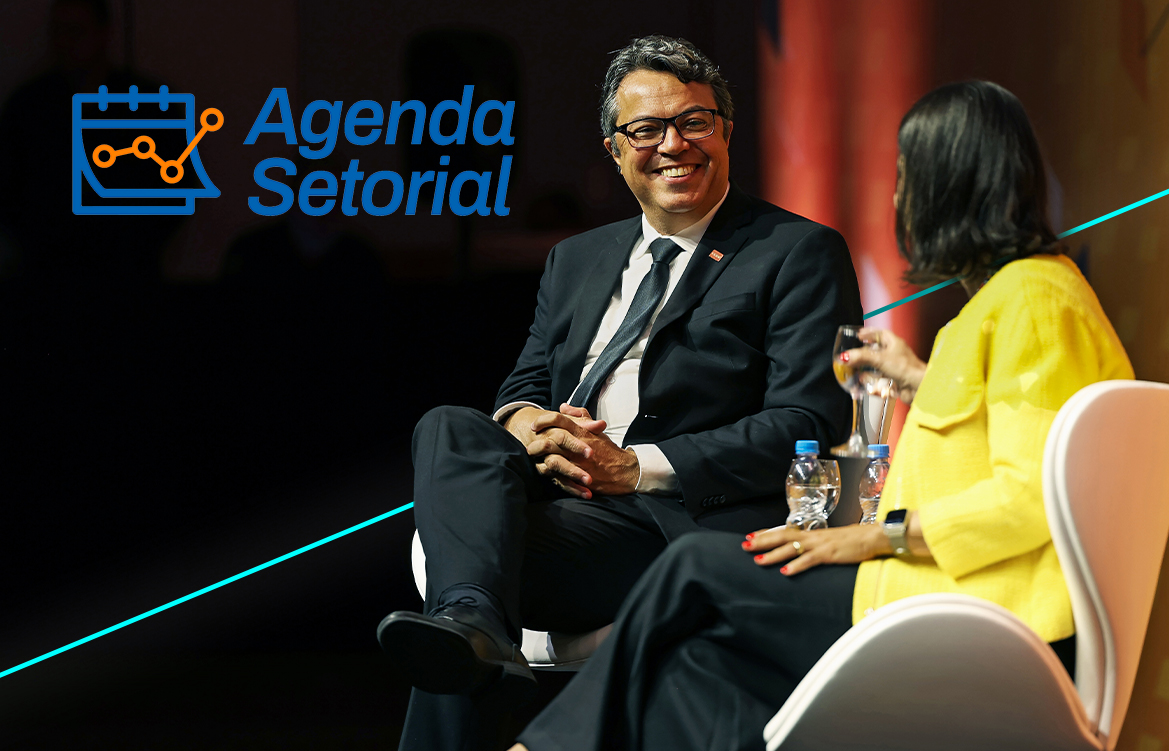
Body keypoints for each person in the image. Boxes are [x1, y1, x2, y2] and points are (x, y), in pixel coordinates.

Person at [507, 80, 1134, 751]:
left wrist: (870, 537)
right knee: (699, 669)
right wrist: (920, 379)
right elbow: (1010, 425)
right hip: (941, 593)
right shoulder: (1013, 298)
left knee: (693, 567)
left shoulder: (1033, 300)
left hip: (979, 615)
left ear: (949, 182)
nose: (897, 198)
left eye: (905, 176)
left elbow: (1027, 498)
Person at [376, 35, 863, 750]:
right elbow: (523, 383)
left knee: (470, 560)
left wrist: (636, 466)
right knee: (449, 425)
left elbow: (807, 420)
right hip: (556, 494)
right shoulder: (575, 258)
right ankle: (471, 624)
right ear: (613, 148)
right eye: (646, 129)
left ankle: (469, 624)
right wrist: (527, 424)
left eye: (693, 121)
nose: (673, 144)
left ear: (725, 131)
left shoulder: (794, 251)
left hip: (669, 524)